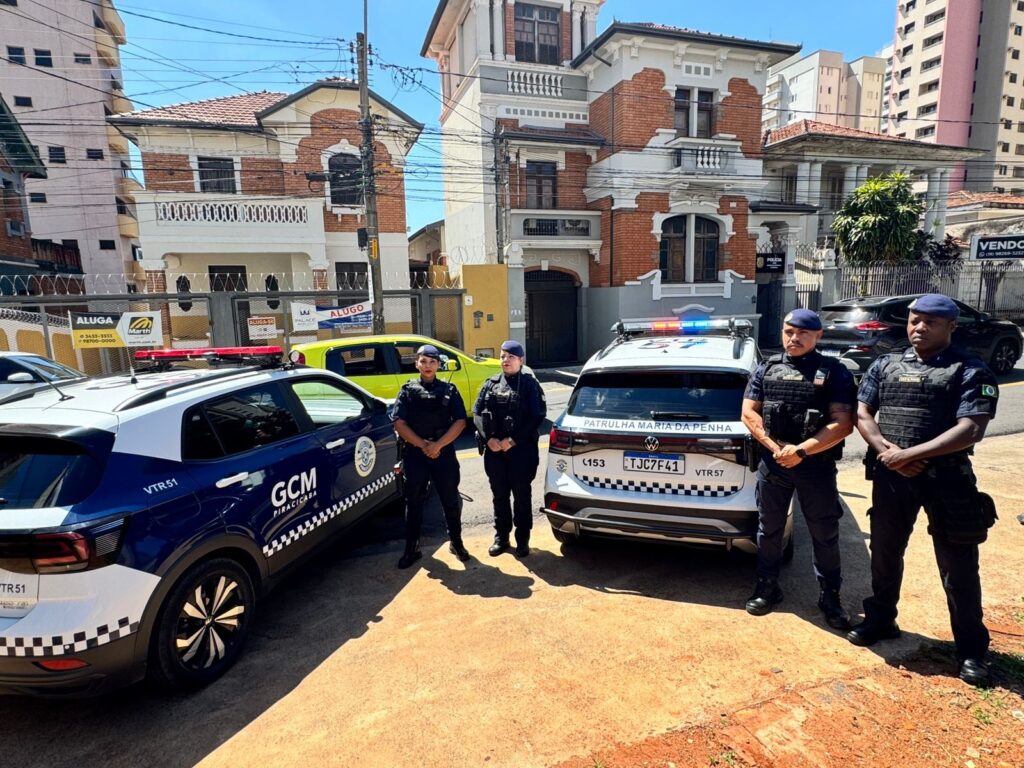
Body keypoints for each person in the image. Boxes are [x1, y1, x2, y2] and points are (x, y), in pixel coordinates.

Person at [849, 294, 999, 686]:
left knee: (958, 567)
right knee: (884, 552)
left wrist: (910, 454)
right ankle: (881, 619)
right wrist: (887, 452)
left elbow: (972, 427)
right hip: (892, 477)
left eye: (930, 322)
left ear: (952, 327)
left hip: (947, 480)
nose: (919, 328)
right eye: (914, 321)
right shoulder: (886, 363)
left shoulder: (969, 368)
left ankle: (971, 649)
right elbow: (862, 412)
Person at [741, 308, 857, 629]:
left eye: (802, 333)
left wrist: (802, 451)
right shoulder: (767, 368)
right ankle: (767, 586)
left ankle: (830, 595)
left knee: (824, 533)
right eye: (788, 331)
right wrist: (776, 448)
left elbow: (843, 422)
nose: (793, 338)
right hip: (774, 463)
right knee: (769, 530)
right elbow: (749, 413)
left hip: (814, 466)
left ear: (818, 335)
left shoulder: (834, 371)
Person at [390, 344, 468, 569]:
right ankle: (411, 549)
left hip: (443, 454)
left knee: (450, 501)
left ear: (438, 365)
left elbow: (460, 421)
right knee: (413, 503)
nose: (427, 366)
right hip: (416, 453)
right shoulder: (406, 390)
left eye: (432, 362)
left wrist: (438, 446)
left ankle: (457, 543)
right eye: (423, 361)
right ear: (417, 364)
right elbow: (399, 423)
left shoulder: (450, 390)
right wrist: (424, 445)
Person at [474, 340, 547, 557]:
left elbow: (537, 417)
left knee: (522, 496)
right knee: (499, 496)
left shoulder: (529, 385)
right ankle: (501, 537)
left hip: (521, 452)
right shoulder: (490, 384)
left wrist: (513, 440)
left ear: (521, 361)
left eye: (511, 357)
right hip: (495, 452)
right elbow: (477, 414)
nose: (506, 360)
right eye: (503, 356)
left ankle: (522, 539)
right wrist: (489, 440)